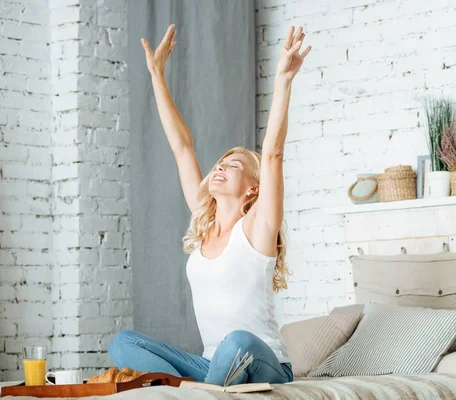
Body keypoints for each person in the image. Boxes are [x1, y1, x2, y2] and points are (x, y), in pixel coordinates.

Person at [108, 24, 311, 386]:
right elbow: (182, 147)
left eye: (234, 166)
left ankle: (197, 394)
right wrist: (157, 75)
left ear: (253, 190)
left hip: (262, 361)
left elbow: (274, 153)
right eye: (220, 162)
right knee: (124, 343)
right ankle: (191, 391)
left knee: (236, 341)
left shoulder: (257, 230)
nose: (220, 166)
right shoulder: (205, 223)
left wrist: (283, 80)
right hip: (210, 364)